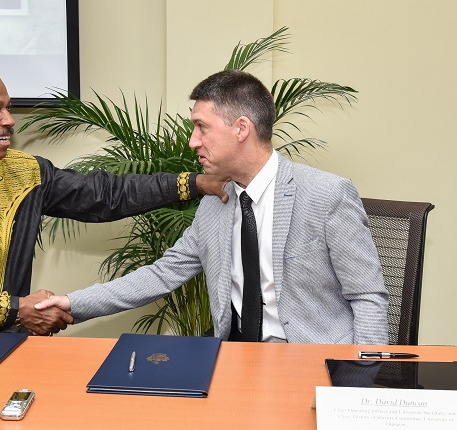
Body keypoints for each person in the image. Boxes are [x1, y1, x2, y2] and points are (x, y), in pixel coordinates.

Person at [0, 59, 228, 335]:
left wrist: (194, 183)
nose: (9, 120)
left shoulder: (25, 172)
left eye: (7, 107)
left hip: (0, 344)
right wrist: (18, 309)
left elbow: (104, 194)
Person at [35, 70, 389, 344]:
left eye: (201, 128)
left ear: (241, 129)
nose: (192, 142)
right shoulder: (216, 204)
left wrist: (355, 386)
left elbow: (367, 297)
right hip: (234, 360)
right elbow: (162, 273)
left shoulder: (327, 194)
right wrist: (71, 303)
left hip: (313, 362)